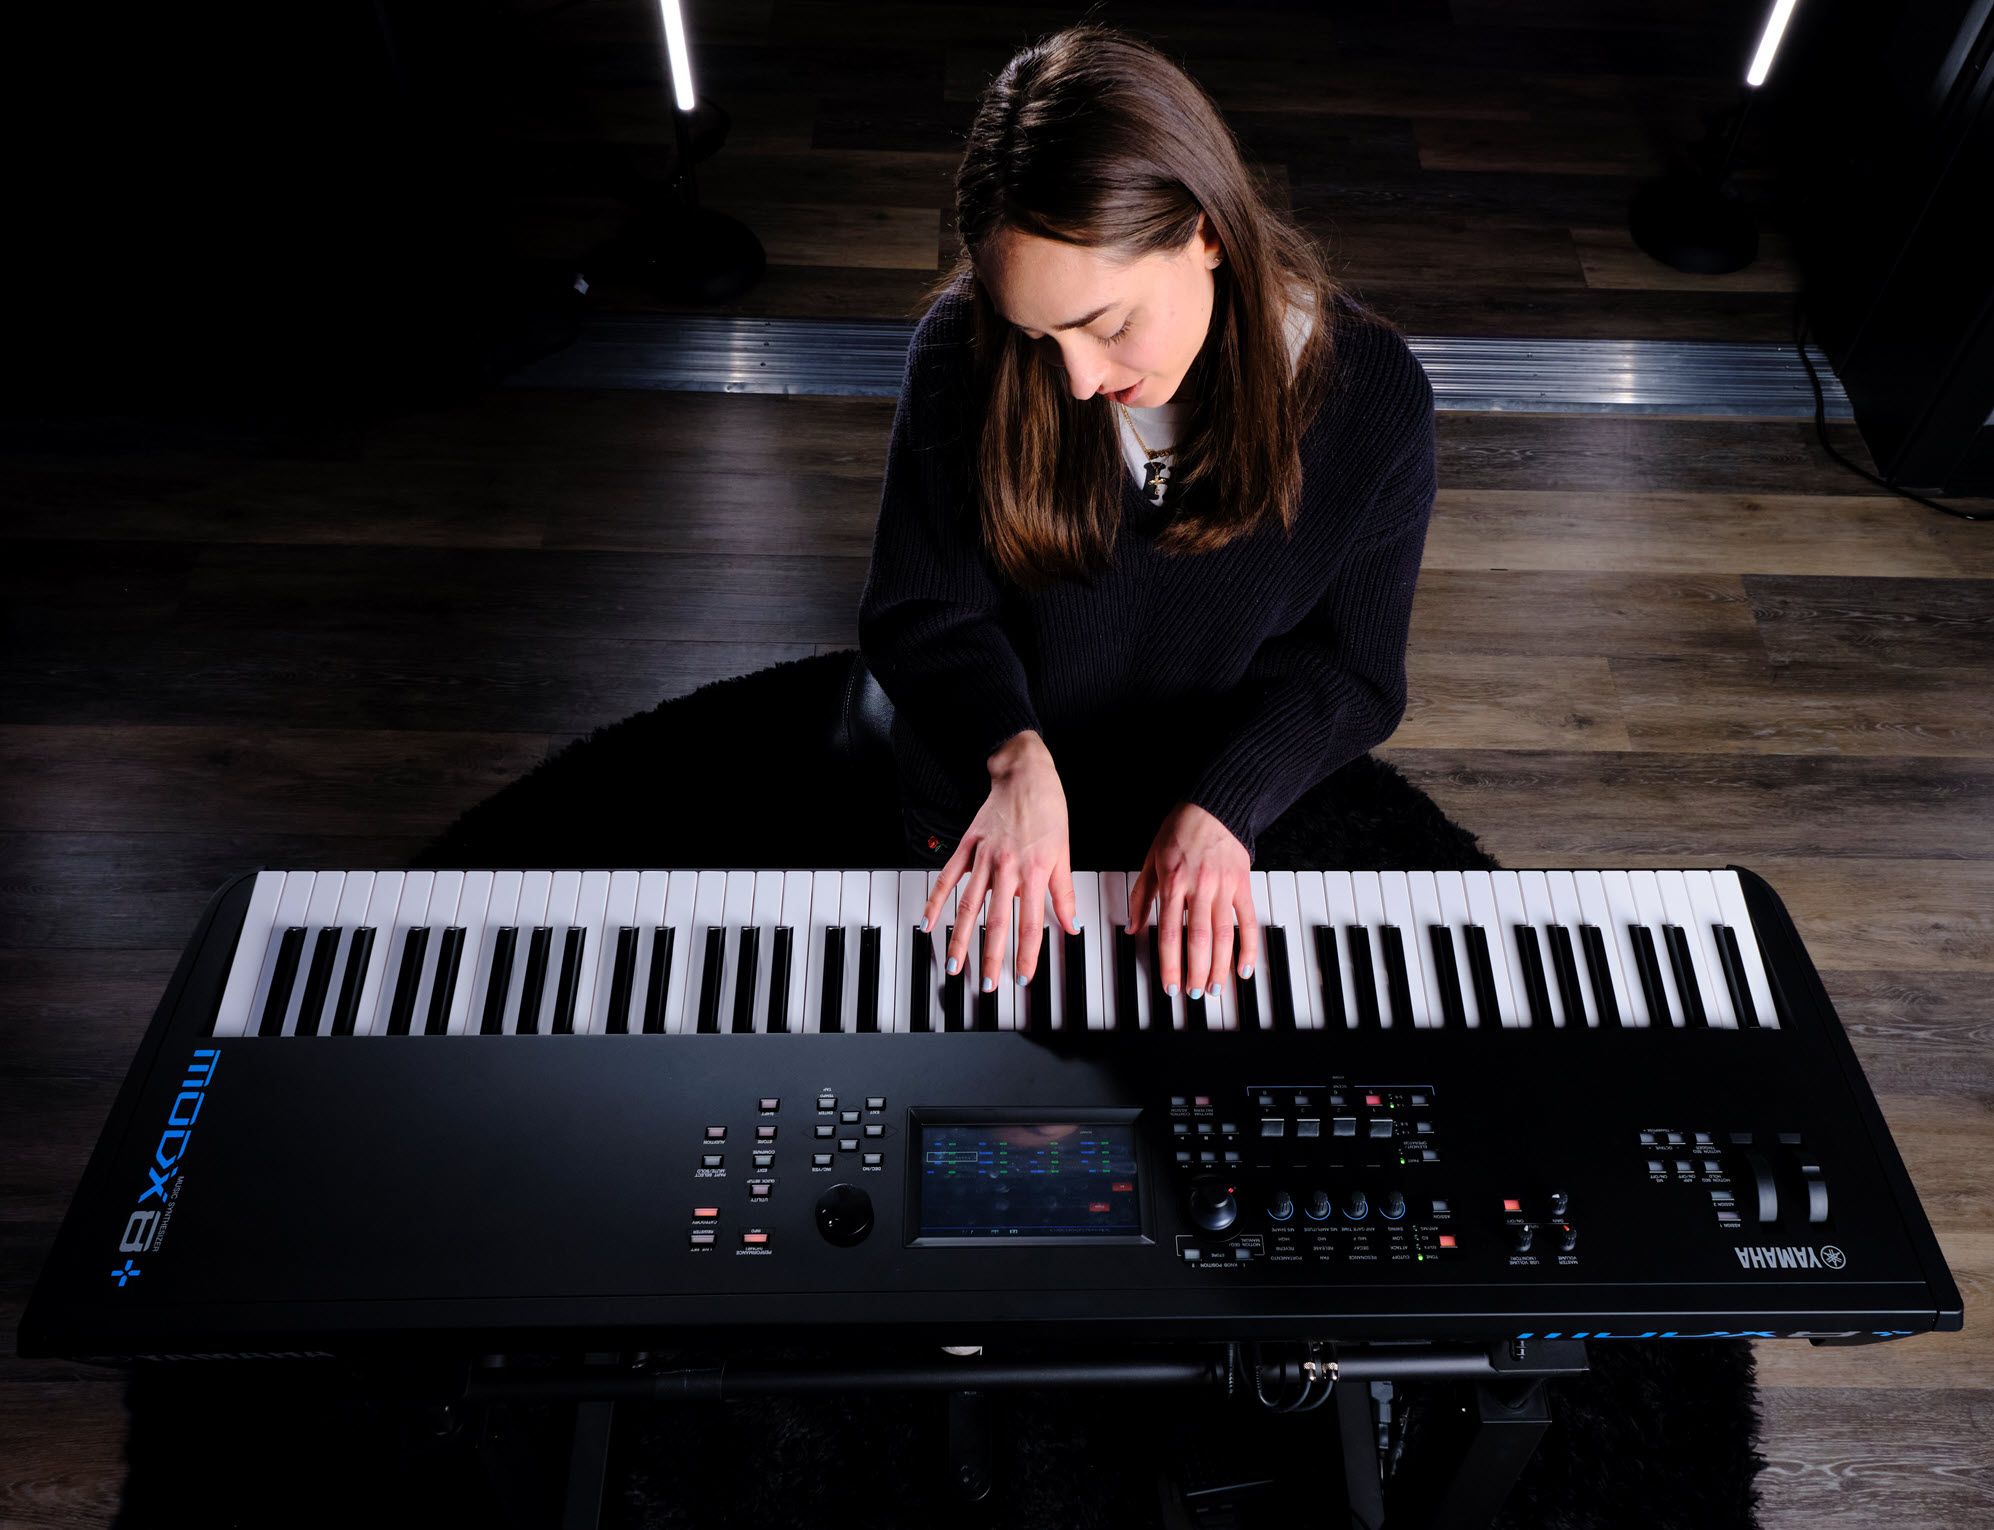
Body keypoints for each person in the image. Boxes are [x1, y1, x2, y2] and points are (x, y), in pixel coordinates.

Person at [856, 23, 1437, 1011]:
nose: (1076, 381)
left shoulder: (1371, 396)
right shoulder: (961, 350)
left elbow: (1351, 668)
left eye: (1108, 325)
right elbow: (923, 612)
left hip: (1212, 794)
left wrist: (1226, 799)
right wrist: (1011, 750)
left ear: (1206, 232)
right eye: (1035, 337)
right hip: (992, 779)